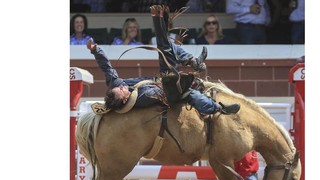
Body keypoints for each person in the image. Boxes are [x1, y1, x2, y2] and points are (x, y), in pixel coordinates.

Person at [86, 5, 240, 115]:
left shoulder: (117, 84)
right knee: (190, 95)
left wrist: (95, 50)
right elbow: (161, 92)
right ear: (125, 99)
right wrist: (177, 83)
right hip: (169, 91)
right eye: (121, 91)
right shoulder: (141, 99)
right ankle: (219, 109)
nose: (122, 87)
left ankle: (192, 61)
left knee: (165, 46)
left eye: (118, 88)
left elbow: (106, 67)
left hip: (164, 78)